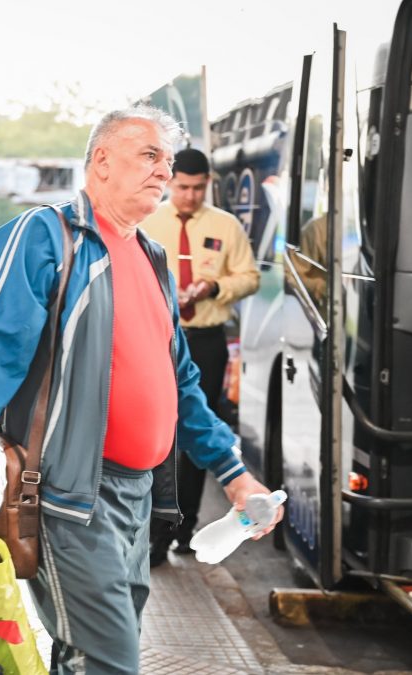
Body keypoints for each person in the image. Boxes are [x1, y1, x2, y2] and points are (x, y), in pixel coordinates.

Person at [0, 105, 281, 675]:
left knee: (91, 654)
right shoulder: (44, 237)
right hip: (69, 497)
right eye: (150, 155)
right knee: (108, 660)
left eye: (168, 161)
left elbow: (181, 382)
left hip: (138, 497)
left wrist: (233, 473)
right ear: (102, 161)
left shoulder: (152, 257)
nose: (164, 171)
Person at [140, 148, 260, 566]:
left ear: (208, 184)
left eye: (198, 188)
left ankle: (182, 528)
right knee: (158, 436)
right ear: (169, 183)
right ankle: (154, 532)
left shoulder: (225, 225)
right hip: (156, 340)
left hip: (206, 341)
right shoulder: (147, 222)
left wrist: (214, 288)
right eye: (182, 187)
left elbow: (250, 276)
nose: (189, 196)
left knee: (195, 434)